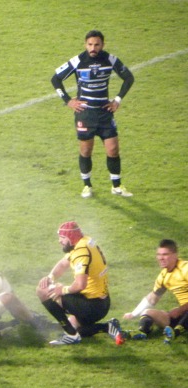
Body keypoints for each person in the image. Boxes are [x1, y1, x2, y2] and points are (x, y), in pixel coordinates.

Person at [51, 30, 135, 198]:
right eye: (90, 44)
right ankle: (87, 185)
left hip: (105, 112)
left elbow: (129, 78)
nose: (93, 48)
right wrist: (68, 100)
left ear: (102, 45)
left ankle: (116, 186)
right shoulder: (78, 61)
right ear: (85, 44)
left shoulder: (110, 59)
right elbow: (55, 79)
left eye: (96, 45)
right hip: (85, 113)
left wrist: (117, 100)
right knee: (86, 150)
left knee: (113, 149)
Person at [36, 221, 124, 345]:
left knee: (42, 291)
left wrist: (62, 290)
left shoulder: (81, 251)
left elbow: (80, 285)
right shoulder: (85, 241)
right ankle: (107, 327)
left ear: (71, 237)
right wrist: (50, 277)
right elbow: (63, 264)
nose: (59, 241)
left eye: (62, 238)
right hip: (101, 302)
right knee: (76, 327)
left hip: (91, 305)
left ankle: (71, 335)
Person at [123, 239, 188, 343]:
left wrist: (180, 310)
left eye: (165, 254)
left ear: (175, 255)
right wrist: (133, 314)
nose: (161, 258)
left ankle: (175, 332)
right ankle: (142, 332)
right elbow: (152, 298)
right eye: (159, 254)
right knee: (148, 312)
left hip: (184, 311)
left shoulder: (185, 269)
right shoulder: (163, 275)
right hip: (183, 313)